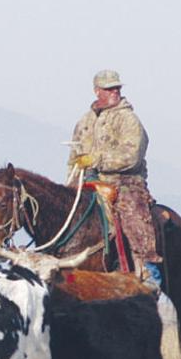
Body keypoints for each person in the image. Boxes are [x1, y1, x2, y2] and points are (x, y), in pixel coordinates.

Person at [70, 69, 162, 293]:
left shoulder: (128, 119)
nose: (115, 92)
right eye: (110, 88)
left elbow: (132, 156)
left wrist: (98, 160)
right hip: (87, 181)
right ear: (97, 91)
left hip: (124, 182)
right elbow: (73, 158)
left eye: (117, 88)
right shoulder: (84, 122)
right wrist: (74, 176)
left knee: (133, 214)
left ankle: (149, 269)